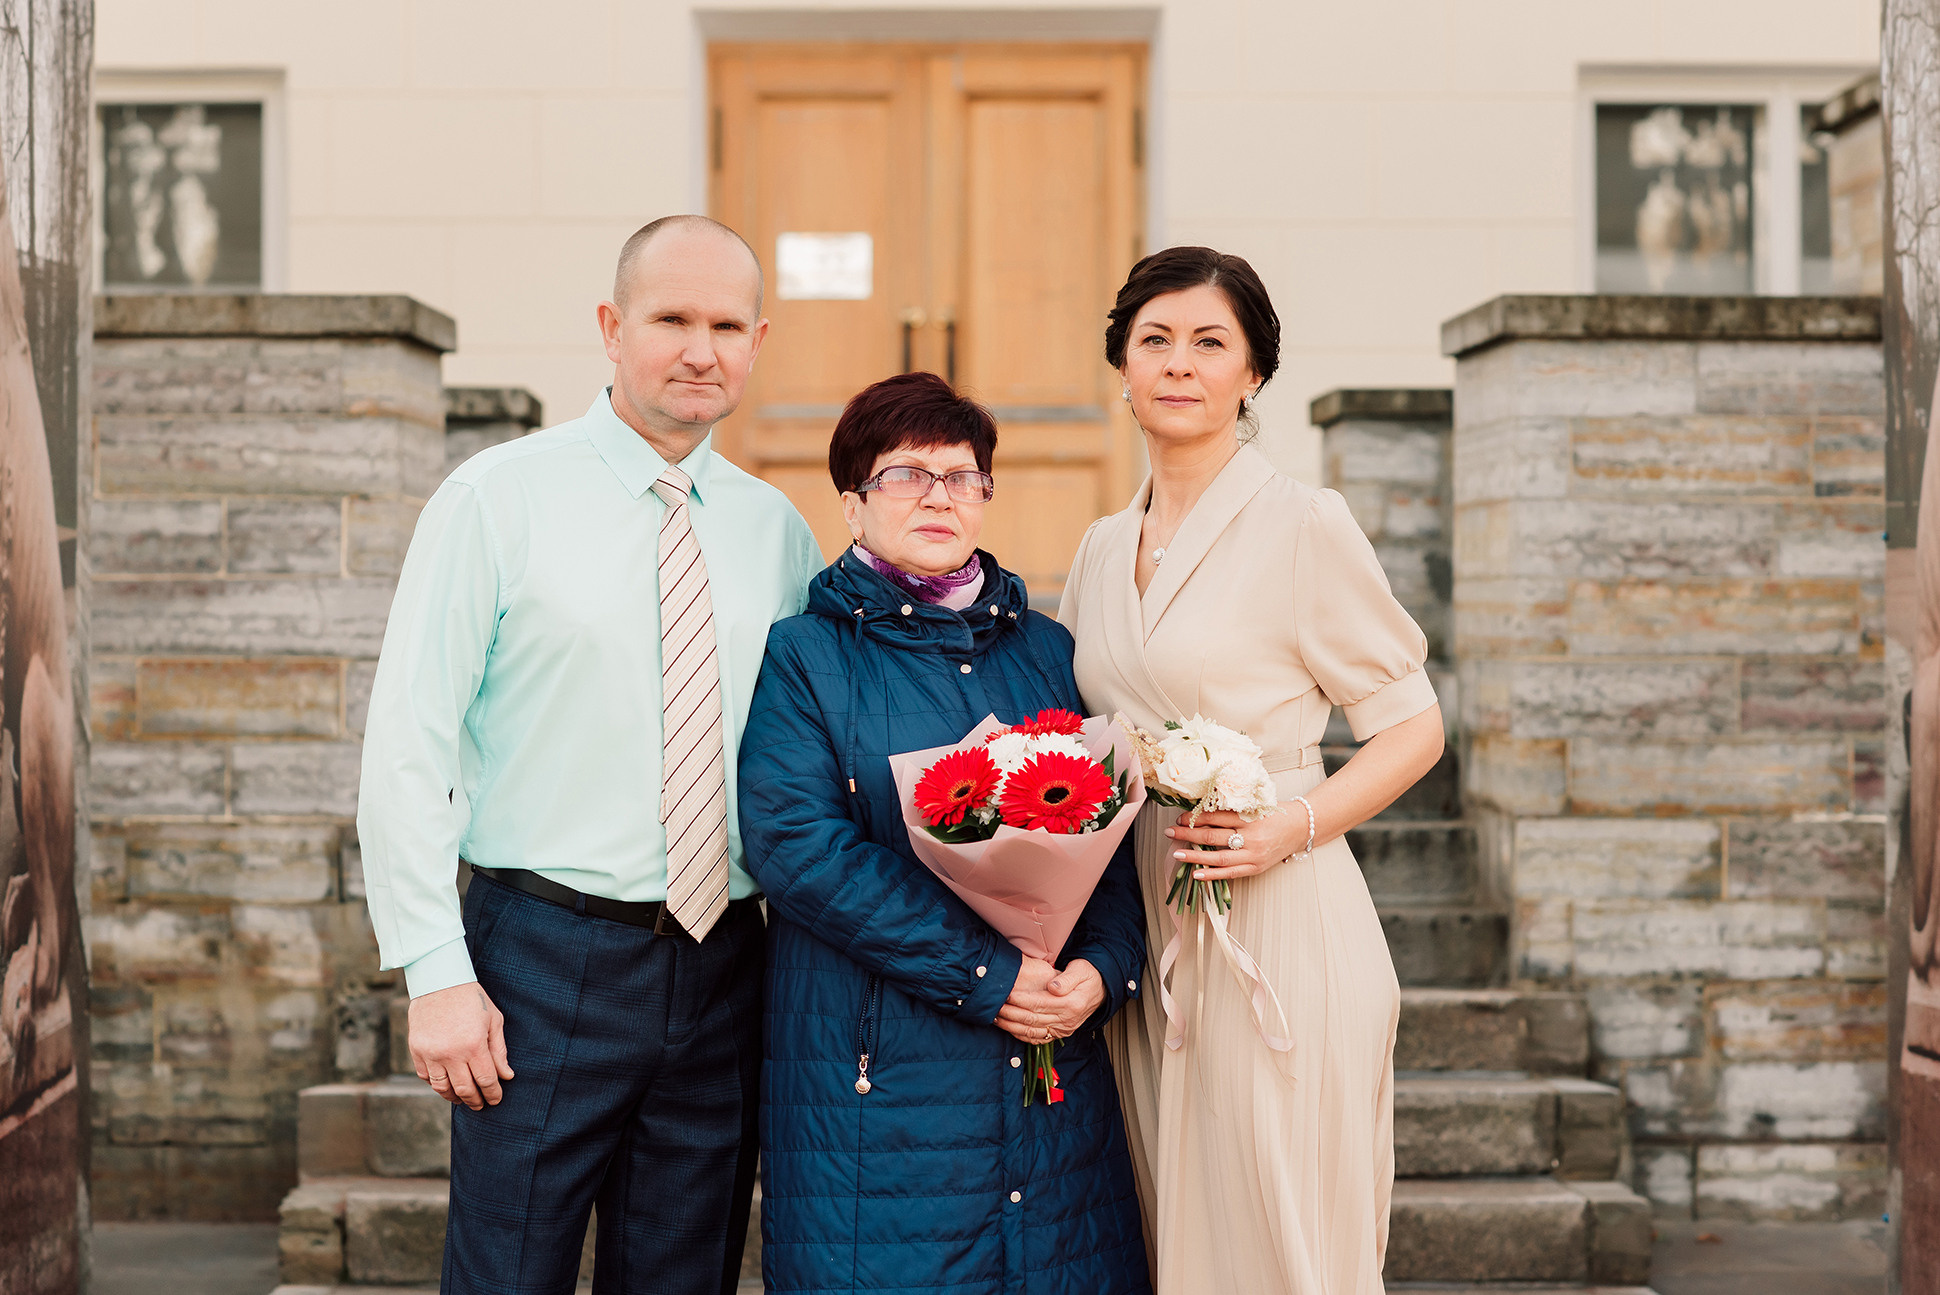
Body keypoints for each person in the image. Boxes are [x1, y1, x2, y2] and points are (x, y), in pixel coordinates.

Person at [357, 214, 822, 1295]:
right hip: (542, 957)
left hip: (722, 963)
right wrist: (436, 971)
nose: (698, 348)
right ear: (612, 328)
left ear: (757, 340)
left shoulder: (775, 531)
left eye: (724, 324)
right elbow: (406, 743)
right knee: (507, 1272)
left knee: (682, 1272)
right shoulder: (496, 498)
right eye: (670, 318)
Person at [1057, 246, 1446, 1294]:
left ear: (1252, 374)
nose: (1178, 363)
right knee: (1173, 1229)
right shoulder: (1098, 547)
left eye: (1208, 341)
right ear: (1122, 367)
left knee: (1282, 1235)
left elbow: (1413, 727)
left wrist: (1292, 824)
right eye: (1154, 340)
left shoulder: (1301, 523)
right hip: (1146, 922)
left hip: (1277, 915)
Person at [736, 371, 1152, 1295]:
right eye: (905, 474)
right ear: (852, 503)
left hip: (1055, 1073)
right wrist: (987, 977)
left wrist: (1101, 972)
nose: (937, 494)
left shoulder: (1048, 649)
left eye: (961, 475)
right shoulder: (807, 655)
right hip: (881, 1081)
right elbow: (798, 847)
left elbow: (1110, 836)